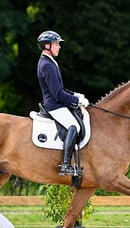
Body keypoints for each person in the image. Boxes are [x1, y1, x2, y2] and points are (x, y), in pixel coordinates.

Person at [36, 30, 89, 176]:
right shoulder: (47, 65)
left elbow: (60, 88)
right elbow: (57, 94)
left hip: (57, 102)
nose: (59, 46)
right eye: (56, 44)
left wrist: (74, 94)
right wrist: (76, 101)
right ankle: (65, 165)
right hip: (54, 105)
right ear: (47, 46)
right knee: (75, 126)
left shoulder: (49, 62)